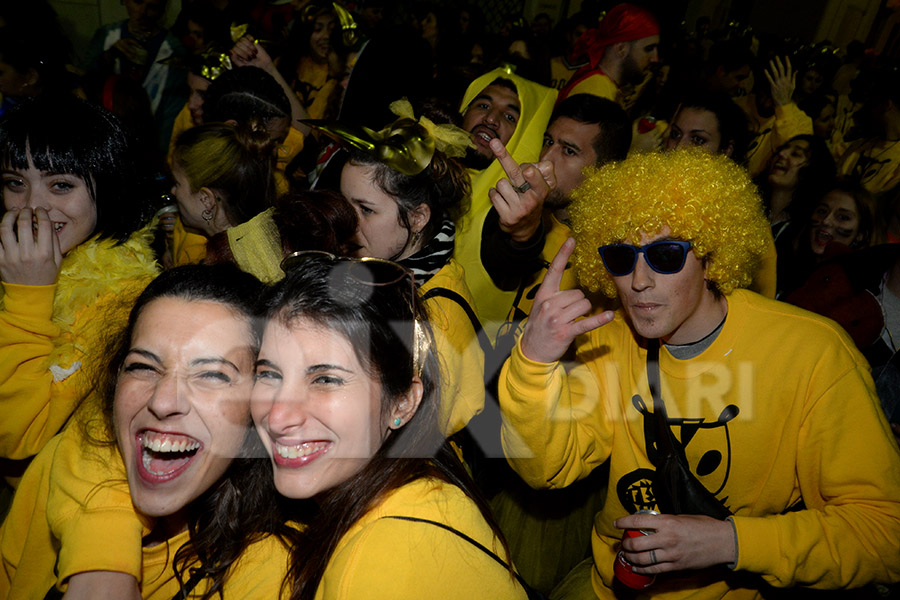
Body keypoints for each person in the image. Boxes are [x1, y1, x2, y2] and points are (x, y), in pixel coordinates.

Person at [498, 150, 900, 599]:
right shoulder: (612, 338)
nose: (639, 280)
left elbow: (884, 534)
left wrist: (730, 542)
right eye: (620, 256)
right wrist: (533, 362)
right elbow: (547, 469)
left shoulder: (812, 353)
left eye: (666, 255)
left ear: (710, 256)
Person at [0, 264, 296, 598]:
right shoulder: (63, 462)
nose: (163, 400)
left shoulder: (268, 570)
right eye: (143, 366)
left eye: (212, 375)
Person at [251, 252, 529, 599]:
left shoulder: (376, 564)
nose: (277, 417)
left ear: (403, 403)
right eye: (269, 374)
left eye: (325, 379)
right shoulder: (414, 478)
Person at [0, 96, 159, 468]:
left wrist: (29, 295)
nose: (31, 206)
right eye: (14, 182)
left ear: (107, 189)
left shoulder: (124, 300)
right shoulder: (12, 254)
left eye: (60, 186)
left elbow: (19, 434)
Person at [330, 100, 486, 436]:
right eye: (345, 204)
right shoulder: (379, 270)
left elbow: (416, 436)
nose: (347, 220)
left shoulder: (437, 314)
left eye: (366, 210)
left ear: (417, 217)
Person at [455, 66, 557, 342]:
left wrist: (523, 231)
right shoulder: (426, 167)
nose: (490, 118)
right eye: (483, 104)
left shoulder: (509, 199)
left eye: (510, 116)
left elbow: (510, 254)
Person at [81, 0, 187, 152]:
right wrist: (107, 57)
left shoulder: (173, 51)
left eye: (152, 6)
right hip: (101, 133)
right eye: (137, 2)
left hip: (146, 142)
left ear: (162, 11)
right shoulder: (107, 36)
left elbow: (171, 114)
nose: (142, 12)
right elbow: (84, 82)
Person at [556, 3, 660, 107]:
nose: (655, 58)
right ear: (621, 49)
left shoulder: (604, 86)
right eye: (649, 49)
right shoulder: (595, 91)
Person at [735, 56, 814, 177]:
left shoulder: (802, 121)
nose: (767, 104)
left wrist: (782, 106)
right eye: (765, 94)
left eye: (774, 98)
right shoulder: (737, 105)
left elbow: (791, 163)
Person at [757, 134, 835, 241]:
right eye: (781, 149)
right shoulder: (746, 205)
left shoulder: (806, 234)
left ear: (812, 173)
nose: (781, 154)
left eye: (795, 154)